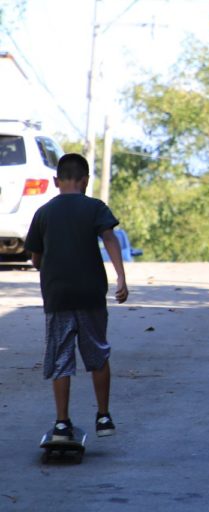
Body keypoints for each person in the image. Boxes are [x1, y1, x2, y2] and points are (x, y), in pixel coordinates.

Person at [24, 153, 128, 441]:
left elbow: (35, 258)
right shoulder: (95, 207)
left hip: (58, 296)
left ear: (56, 181)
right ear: (85, 181)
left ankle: (61, 422)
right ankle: (104, 416)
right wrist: (121, 276)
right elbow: (109, 238)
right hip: (91, 294)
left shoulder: (43, 213)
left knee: (60, 357)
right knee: (97, 353)